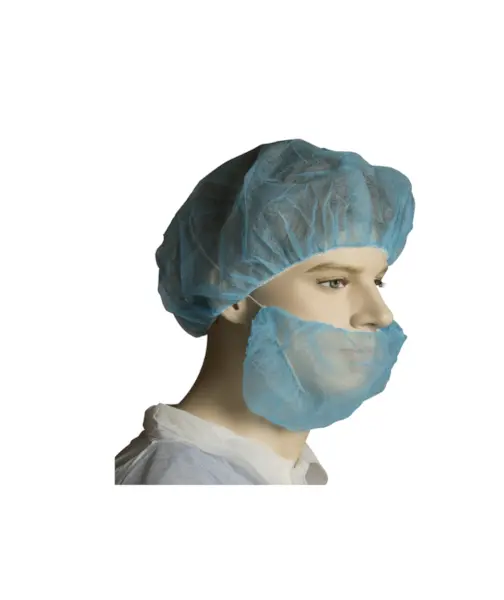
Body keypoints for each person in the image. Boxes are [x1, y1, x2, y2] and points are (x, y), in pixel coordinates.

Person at [115, 138, 415, 485]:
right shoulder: (177, 480)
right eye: (335, 282)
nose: (381, 314)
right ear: (231, 293)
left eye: (377, 281)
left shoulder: (283, 472)